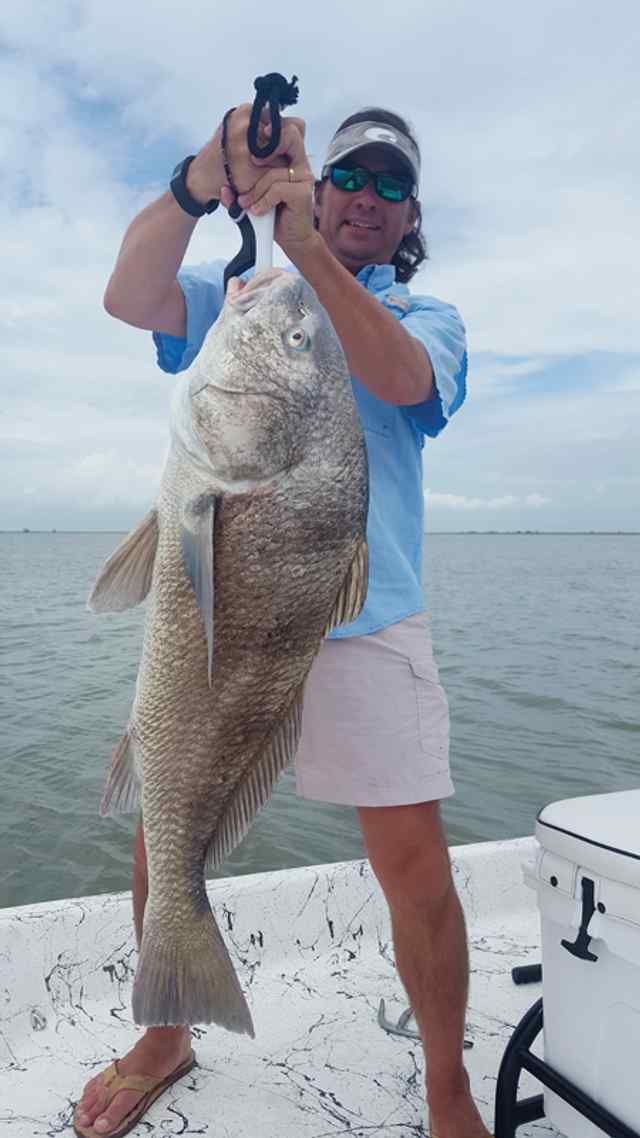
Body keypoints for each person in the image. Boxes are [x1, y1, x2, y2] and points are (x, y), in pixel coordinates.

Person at [74, 101, 491, 1138]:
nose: (366, 199)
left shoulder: (423, 315)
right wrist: (198, 179)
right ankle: (167, 1028)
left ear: (411, 219)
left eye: (392, 188)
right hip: (227, 598)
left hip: (365, 615)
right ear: (323, 183)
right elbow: (129, 294)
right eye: (351, 176)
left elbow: (398, 377)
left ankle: (448, 1092)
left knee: (415, 867)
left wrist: (306, 251)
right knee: (165, 819)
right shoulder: (250, 299)